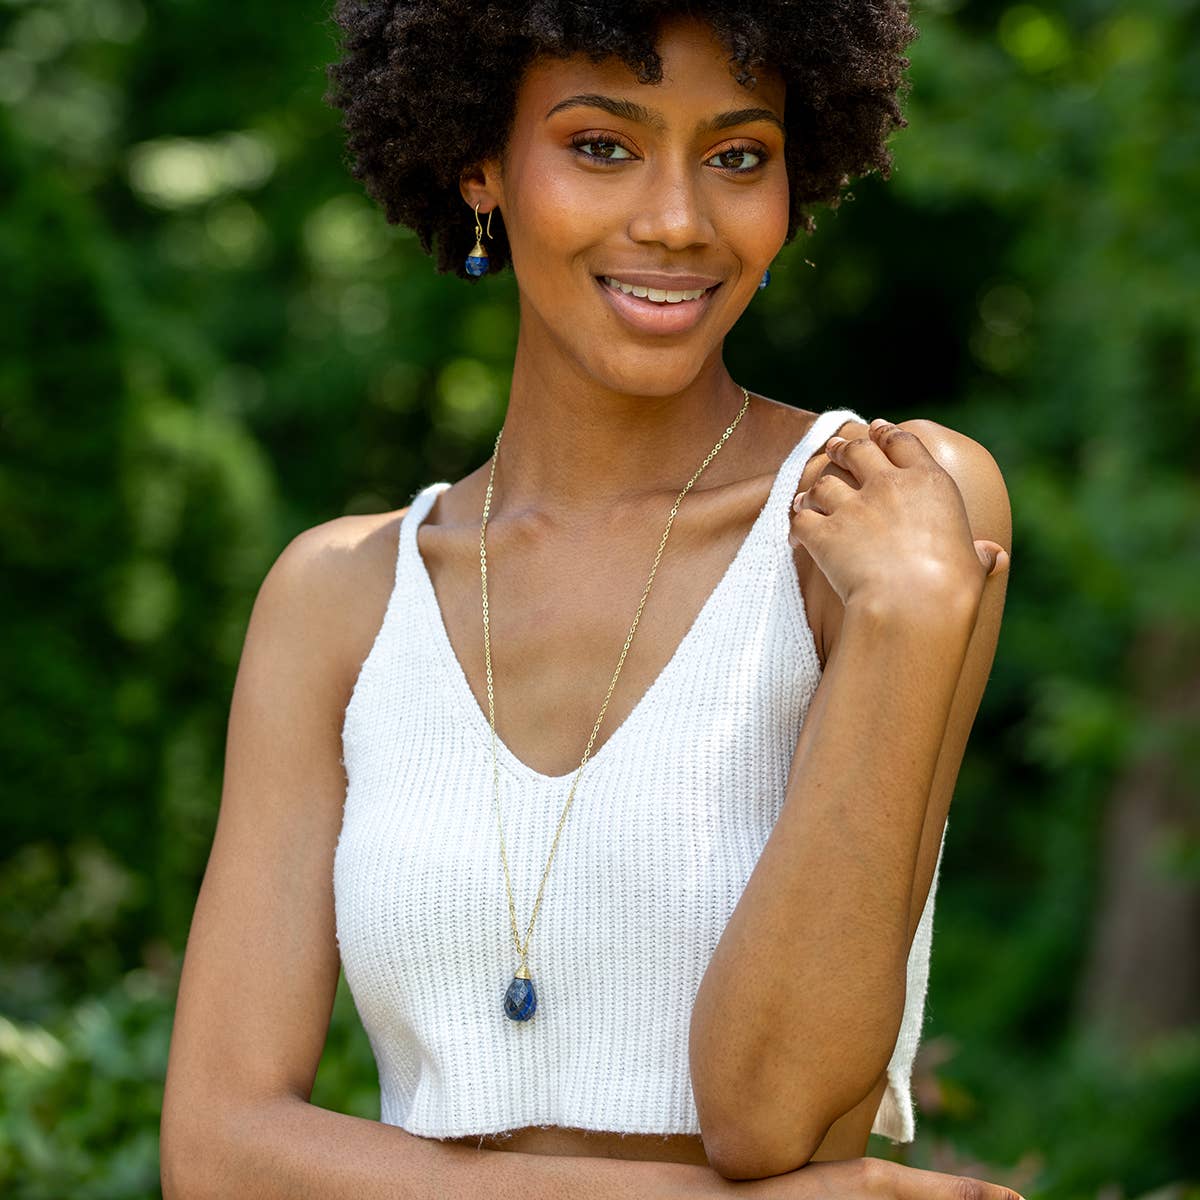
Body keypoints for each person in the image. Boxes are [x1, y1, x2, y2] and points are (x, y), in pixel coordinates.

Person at [160, 3, 1017, 1198]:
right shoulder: (339, 595)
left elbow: (770, 1118)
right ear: (481, 171)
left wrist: (911, 621)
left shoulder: (888, 520)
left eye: (737, 156)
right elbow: (217, 1151)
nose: (675, 220)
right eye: (601, 146)